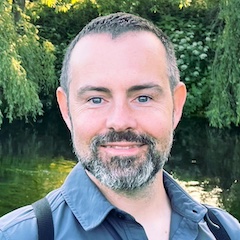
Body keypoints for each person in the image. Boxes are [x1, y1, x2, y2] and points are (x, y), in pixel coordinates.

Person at [0, 12, 239, 240]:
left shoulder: (227, 233)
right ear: (66, 110)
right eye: (96, 99)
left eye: (143, 98)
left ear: (177, 105)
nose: (120, 121)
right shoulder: (16, 235)